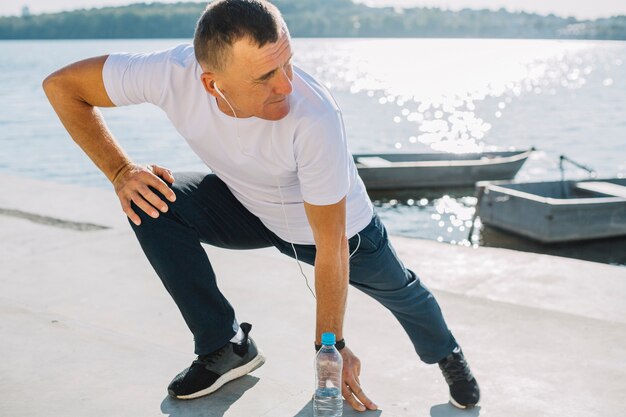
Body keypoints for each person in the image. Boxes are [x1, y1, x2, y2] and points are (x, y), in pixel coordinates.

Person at [43, 0, 480, 411]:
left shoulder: (315, 118)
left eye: (287, 63)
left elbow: (331, 245)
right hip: (248, 208)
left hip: (340, 233)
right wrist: (120, 171)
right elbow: (62, 87)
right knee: (153, 203)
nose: (286, 84)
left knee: (405, 295)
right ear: (211, 83)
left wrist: (329, 347)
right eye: (265, 76)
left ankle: (449, 354)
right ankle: (225, 346)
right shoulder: (168, 73)